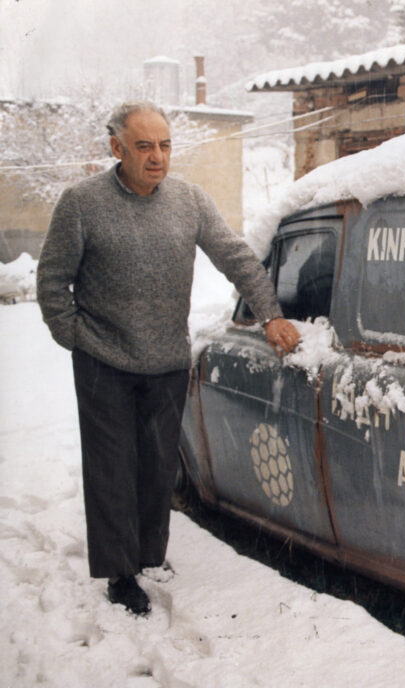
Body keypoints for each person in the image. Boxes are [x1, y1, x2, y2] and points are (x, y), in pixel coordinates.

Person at [36, 101, 301, 616]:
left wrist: (269, 313)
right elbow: (51, 281)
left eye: (164, 145)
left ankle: (151, 553)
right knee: (112, 468)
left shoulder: (189, 200)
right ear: (116, 148)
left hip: (166, 361)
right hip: (103, 362)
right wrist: (76, 338)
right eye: (144, 146)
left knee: (158, 464)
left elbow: (235, 256)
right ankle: (120, 573)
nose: (157, 157)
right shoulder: (81, 203)